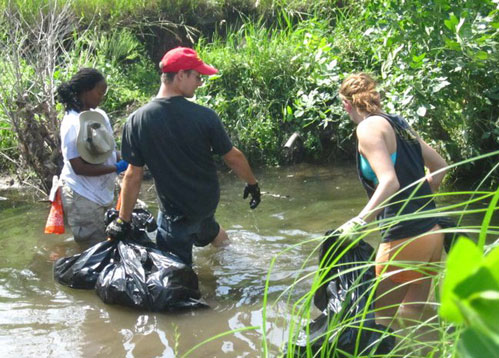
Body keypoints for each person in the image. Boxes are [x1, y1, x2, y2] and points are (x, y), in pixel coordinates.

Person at [106, 47, 261, 266]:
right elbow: (233, 157)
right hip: (205, 206)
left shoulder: (137, 121)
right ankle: (239, 259)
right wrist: (252, 184)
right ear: (180, 75)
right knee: (209, 229)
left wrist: (123, 220)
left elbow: (133, 175)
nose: (200, 82)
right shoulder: (205, 116)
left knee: (176, 275)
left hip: (175, 216)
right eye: (197, 77)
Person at [336, 73, 447, 323]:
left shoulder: (366, 128)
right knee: (412, 322)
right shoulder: (399, 123)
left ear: (347, 104)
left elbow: (389, 181)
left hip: (404, 238)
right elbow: (440, 167)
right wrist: (418, 198)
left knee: (375, 325)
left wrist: (359, 222)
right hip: (432, 232)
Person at [57, 68, 128, 247]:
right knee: (92, 249)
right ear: (85, 90)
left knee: (110, 243)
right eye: (99, 92)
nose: (101, 97)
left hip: (103, 192)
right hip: (82, 195)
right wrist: (116, 168)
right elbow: (79, 168)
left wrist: (129, 157)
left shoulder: (100, 116)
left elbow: (109, 151)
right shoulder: (71, 123)